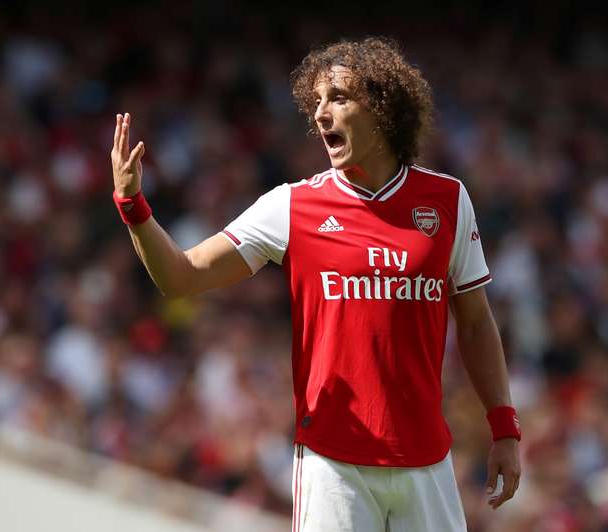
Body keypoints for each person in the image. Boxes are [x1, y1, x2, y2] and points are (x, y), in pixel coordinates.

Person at [110, 37, 521, 532]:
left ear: (383, 107)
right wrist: (133, 206)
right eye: (317, 101)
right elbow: (181, 276)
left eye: (339, 98)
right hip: (334, 466)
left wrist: (505, 429)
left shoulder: (448, 200)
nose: (321, 114)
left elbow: (476, 322)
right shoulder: (293, 206)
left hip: (426, 463)